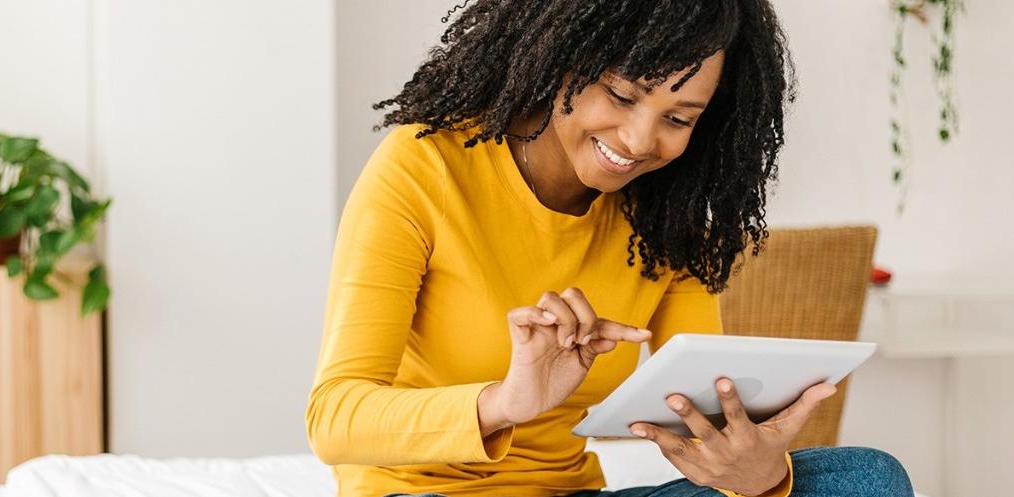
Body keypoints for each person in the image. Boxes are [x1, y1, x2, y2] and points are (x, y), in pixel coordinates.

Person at [306, 1, 914, 496]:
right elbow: (335, 420)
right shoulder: (425, 165)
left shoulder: (667, 215)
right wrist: (504, 402)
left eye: (678, 119)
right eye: (622, 96)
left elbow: (703, 420)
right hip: (415, 493)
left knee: (864, 479)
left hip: (568, 494)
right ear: (559, 58)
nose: (639, 139)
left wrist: (757, 474)